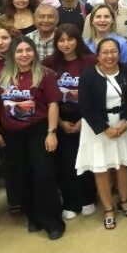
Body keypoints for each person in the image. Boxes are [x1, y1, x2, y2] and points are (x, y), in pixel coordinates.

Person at [0, 36, 64, 239]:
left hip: (38, 131)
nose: (24, 55)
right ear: (12, 54)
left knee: (44, 176)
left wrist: (51, 132)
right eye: (19, 51)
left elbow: (52, 105)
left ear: (34, 52)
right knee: (21, 177)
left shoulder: (45, 75)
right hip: (11, 135)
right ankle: (33, 217)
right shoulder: (2, 76)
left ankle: (53, 222)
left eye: (28, 50)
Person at [76, 38, 127, 229]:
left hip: (123, 125)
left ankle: (124, 201)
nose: (109, 56)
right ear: (97, 55)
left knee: (122, 164)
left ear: (119, 53)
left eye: (113, 51)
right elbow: (85, 107)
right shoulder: (88, 75)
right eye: (104, 52)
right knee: (101, 168)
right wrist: (105, 129)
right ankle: (108, 208)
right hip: (97, 129)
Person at [43, 25, 98, 220]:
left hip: (88, 118)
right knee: (66, 163)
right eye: (61, 40)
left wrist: (86, 119)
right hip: (60, 119)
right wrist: (59, 122)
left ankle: (88, 198)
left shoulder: (91, 61)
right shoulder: (49, 63)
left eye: (70, 39)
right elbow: (46, 98)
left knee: (88, 159)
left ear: (78, 40)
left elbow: (98, 93)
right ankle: (70, 201)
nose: (66, 44)